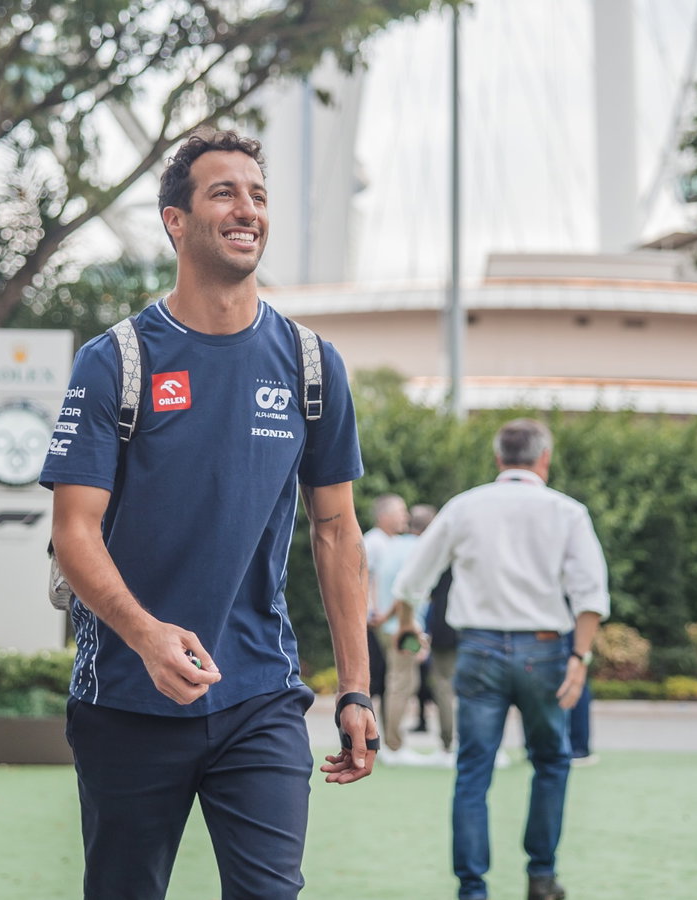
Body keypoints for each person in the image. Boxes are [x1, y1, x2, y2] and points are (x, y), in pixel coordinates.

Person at [42, 130, 375, 899]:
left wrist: (355, 688)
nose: (247, 209)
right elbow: (74, 532)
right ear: (176, 221)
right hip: (126, 694)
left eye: (257, 195)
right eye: (223, 192)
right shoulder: (115, 361)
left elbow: (335, 530)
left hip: (259, 693)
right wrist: (147, 635)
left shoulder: (311, 365)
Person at [393, 418, 610, 900]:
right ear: (544, 458)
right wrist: (580, 657)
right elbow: (591, 595)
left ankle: (472, 889)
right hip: (546, 648)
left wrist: (409, 622)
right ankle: (542, 876)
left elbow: (411, 580)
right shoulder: (567, 511)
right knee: (551, 762)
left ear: (498, 459)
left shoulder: (465, 506)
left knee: (474, 770)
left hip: (479, 649)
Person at [366, 494, 423, 763]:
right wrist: (373, 612)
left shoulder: (393, 544)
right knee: (401, 681)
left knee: (400, 679)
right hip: (399, 626)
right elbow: (367, 581)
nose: (405, 516)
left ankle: (392, 741)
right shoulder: (377, 543)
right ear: (384, 515)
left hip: (392, 624)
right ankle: (394, 745)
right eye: (400, 511)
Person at [412, 503, 457, 761]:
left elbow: (419, 589)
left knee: (442, 685)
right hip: (469, 626)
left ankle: (448, 744)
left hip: (444, 627)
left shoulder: (438, 552)